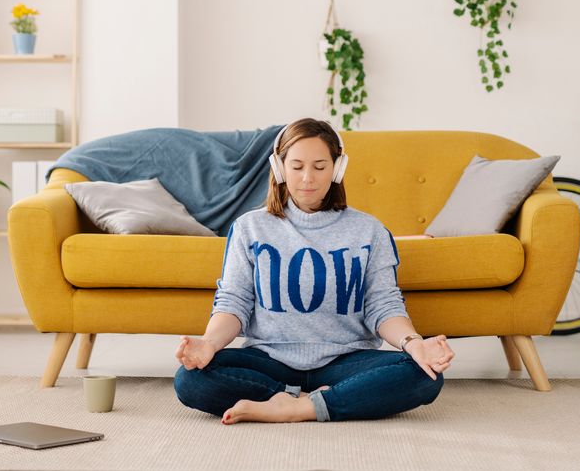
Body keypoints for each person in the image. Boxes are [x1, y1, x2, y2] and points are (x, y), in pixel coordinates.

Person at [173, 118, 454, 424]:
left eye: (320, 167)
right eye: (296, 167)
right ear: (279, 169)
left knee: (424, 375)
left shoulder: (369, 231)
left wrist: (415, 344)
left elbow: (383, 306)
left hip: (345, 358)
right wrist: (208, 344)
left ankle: (292, 406)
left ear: (338, 168)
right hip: (270, 358)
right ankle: (323, 399)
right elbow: (234, 302)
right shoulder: (249, 228)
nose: (308, 178)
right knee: (190, 380)